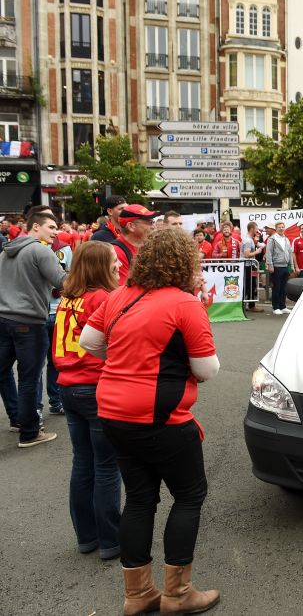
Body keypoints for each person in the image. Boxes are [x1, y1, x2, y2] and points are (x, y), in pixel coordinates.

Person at [79, 228, 221, 616]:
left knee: (140, 499)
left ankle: (138, 595)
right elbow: (207, 370)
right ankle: (178, 594)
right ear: (187, 262)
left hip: (113, 412)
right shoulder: (185, 303)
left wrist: (128, 358)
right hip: (161, 418)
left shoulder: (118, 296)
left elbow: (88, 343)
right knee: (189, 496)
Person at [52, 241, 122, 560]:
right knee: (107, 466)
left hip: (68, 386)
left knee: (83, 463)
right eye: (112, 261)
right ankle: (111, 541)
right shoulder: (103, 298)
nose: (118, 265)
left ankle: (86, 537)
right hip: (95, 386)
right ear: (99, 266)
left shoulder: (69, 297)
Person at [0, 209, 67, 446]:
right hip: (29, 322)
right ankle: (29, 432)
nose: (55, 232)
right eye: (51, 227)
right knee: (29, 378)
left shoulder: (6, 251)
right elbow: (63, 282)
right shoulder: (40, 249)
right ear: (35, 227)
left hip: (4, 319)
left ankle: (17, 418)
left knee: (5, 371)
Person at [112, 204, 161, 285]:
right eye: (149, 222)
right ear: (131, 226)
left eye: (153, 222)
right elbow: (125, 288)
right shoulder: (116, 252)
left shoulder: (149, 246)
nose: (153, 227)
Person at [265, 221, 292, 315]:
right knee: (276, 287)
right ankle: (275, 307)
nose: (281, 228)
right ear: (276, 229)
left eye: (282, 227)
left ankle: (283, 306)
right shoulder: (272, 239)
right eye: (279, 227)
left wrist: (291, 265)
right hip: (276, 266)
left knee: (284, 288)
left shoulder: (286, 239)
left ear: (284, 228)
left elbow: (290, 252)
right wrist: (270, 265)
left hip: (285, 266)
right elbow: (268, 253)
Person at [241, 222, 265, 313]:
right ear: (252, 229)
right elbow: (247, 255)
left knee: (251, 285)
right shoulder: (247, 240)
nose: (257, 230)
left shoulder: (250, 239)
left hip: (250, 266)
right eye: (256, 229)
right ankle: (249, 305)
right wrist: (257, 251)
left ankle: (250, 304)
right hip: (247, 266)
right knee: (249, 285)